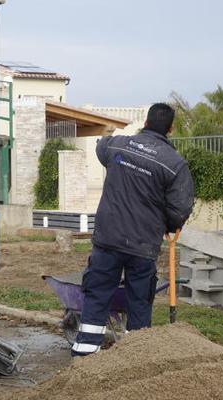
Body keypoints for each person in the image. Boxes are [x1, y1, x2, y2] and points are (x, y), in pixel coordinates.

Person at [71, 103, 194, 357]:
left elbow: (100, 145)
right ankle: (136, 361)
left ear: (146, 122)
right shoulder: (174, 163)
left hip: (108, 239)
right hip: (143, 245)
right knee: (139, 301)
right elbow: (180, 206)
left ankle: (83, 356)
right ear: (170, 129)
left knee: (97, 295)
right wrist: (171, 226)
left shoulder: (116, 146)